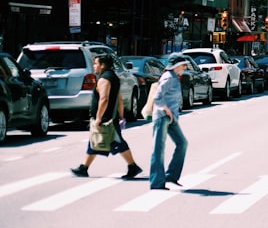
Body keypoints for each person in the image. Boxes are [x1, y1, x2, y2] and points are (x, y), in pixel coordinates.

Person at [70, 55, 143, 179]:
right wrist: (121, 114)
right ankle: (84, 167)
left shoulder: (105, 79)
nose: (94, 66)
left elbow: (104, 99)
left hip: (107, 119)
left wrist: (98, 118)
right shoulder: (113, 77)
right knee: (95, 141)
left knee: (118, 143)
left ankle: (133, 166)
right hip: (110, 118)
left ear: (103, 65)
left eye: (96, 64)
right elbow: (119, 98)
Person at [149, 55, 189, 190]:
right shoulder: (168, 77)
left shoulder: (173, 77)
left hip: (171, 118)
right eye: (183, 65)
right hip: (162, 116)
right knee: (158, 149)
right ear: (177, 65)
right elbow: (157, 97)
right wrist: (167, 110)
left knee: (182, 143)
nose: (185, 68)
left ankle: (171, 175)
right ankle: (156, 182)